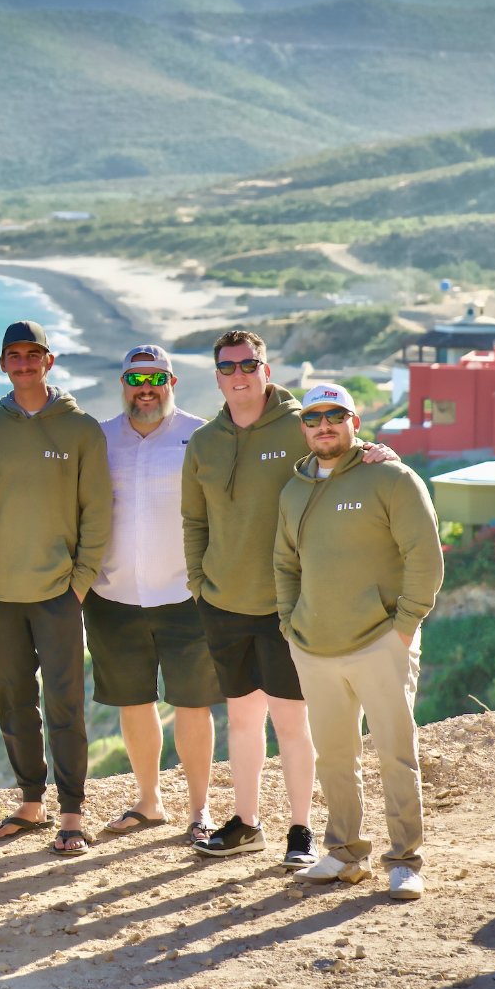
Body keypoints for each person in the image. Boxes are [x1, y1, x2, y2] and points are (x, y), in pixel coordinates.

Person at [276, 384, 444, 900]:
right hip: (314, 645)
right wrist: (290, 622)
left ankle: (404, 859)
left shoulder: (390, 477)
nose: (323, 425)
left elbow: (426, 557)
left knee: (396, 752)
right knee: (333, 756)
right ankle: (345, 853)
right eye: (313, 417)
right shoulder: (294, 489)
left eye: (334, 415)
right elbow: (285, 562)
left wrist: (405, 625)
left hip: (380, 641)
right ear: (303, 427)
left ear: (353, 420)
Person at [0, 321, 110, 857]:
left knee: (65, 703)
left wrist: (78, 584)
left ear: (48, 362)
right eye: (14, 355)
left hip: (57, 593)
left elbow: (98, 512)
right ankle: (31, 803)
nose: (24, 363)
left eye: (34, 355)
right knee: (13, 701)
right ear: (3, 363)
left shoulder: (81, 429)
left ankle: (72, 812)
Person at [181, 330, 320, 862]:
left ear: (266, 368)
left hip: (287, 605)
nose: (238, 375)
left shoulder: (298, 425)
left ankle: (301, 831)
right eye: (228, 367)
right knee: (241, 719)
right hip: (223, 604)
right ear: (216, 375)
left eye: (248, 364)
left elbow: (343, 454)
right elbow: (193, 519)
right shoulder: (205, 442)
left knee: (290, 722)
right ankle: (246, 822)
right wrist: (199, 583)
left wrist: (378, 453)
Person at [86, 348, 220, 840]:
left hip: (186, 594)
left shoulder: (202, 435)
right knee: (134, 702)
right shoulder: (98, 437)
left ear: (172, 381)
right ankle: (149, 802)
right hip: (112, 595)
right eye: (136, 377)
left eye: (156, 377)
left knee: (193, 703)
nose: (146, 387)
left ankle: (200, 810)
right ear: (122, 382)